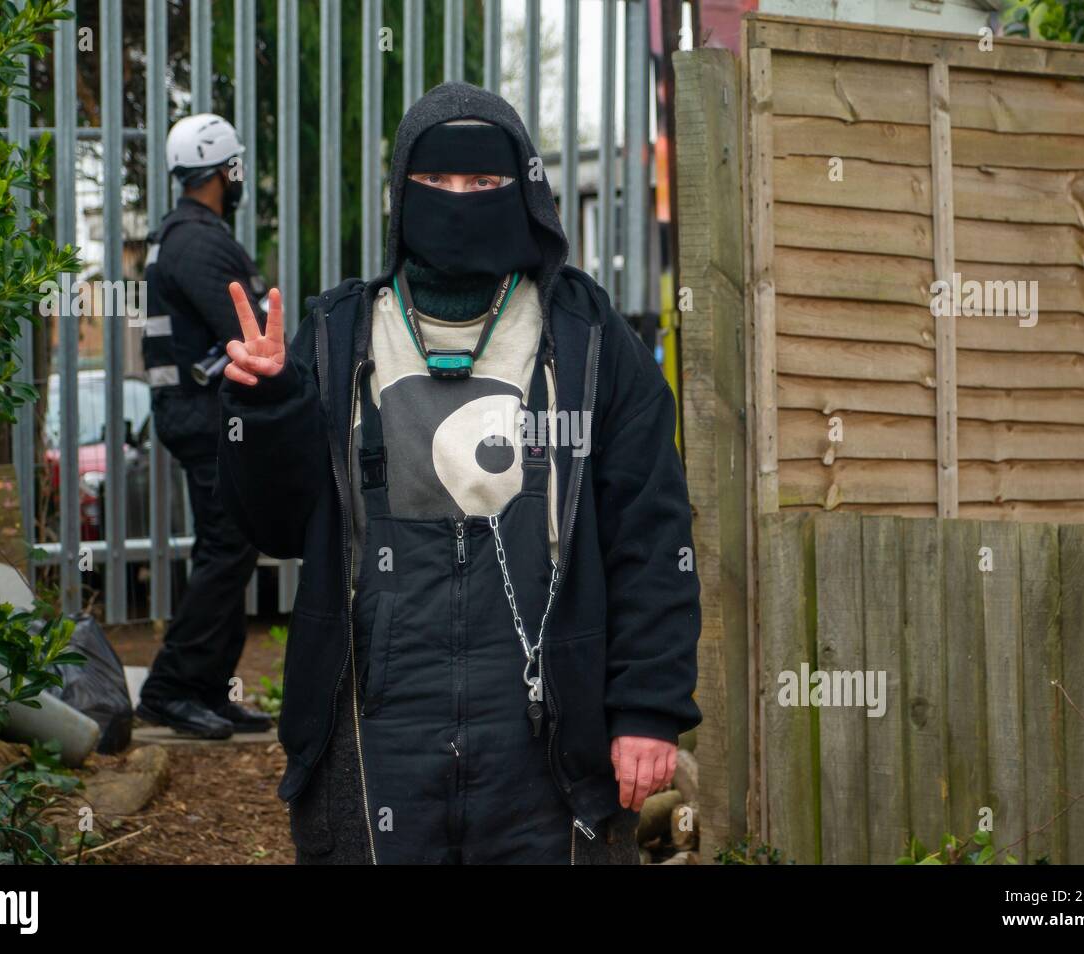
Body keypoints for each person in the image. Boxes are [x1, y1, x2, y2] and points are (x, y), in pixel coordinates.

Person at [219, 83, 701, 864]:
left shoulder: (587, 337)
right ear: (401, 195)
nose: (459, 201)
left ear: (526, 193)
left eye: (484, 184)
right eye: (436, 183)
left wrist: (647, 706)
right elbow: (274, 527)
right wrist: (268, 406)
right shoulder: (340, 333)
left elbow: (651, 533)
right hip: (376, 726)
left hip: (548, 734)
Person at [136, 113, 271, 739]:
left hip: (194, 415)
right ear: (223, 171)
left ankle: (207, 691)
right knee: (227, 550)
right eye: (236, 166)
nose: (240, 177)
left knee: (228, 548)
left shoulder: (178, 235)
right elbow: (249, 335)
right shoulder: (199, 240)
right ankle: (171, 690)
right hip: (208, 418)